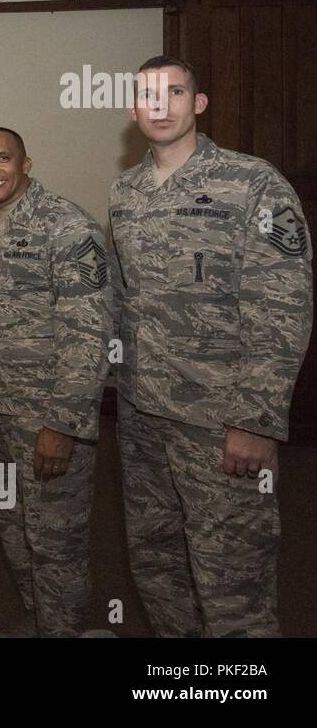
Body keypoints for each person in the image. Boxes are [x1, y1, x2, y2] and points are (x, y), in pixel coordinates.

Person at [110, 55, 312, 637]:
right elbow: (125, 300)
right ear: (133, 111)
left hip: (219, 420)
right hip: (143, 416)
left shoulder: (253, 183)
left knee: (233, 581)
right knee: (157, 566)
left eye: (174, 93)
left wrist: (256, 419)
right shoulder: (126, 191)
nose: (160, 105)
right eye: (148, 95)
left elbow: (283, 305)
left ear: (198, 104)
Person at [0, 126, 111, 637]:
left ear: (26, 163)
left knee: (56, 545)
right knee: (14, 532)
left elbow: (89, 330)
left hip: (47, 417)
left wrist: (63, 424)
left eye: (3, 158)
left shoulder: (67, 226)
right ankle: (41, 622)